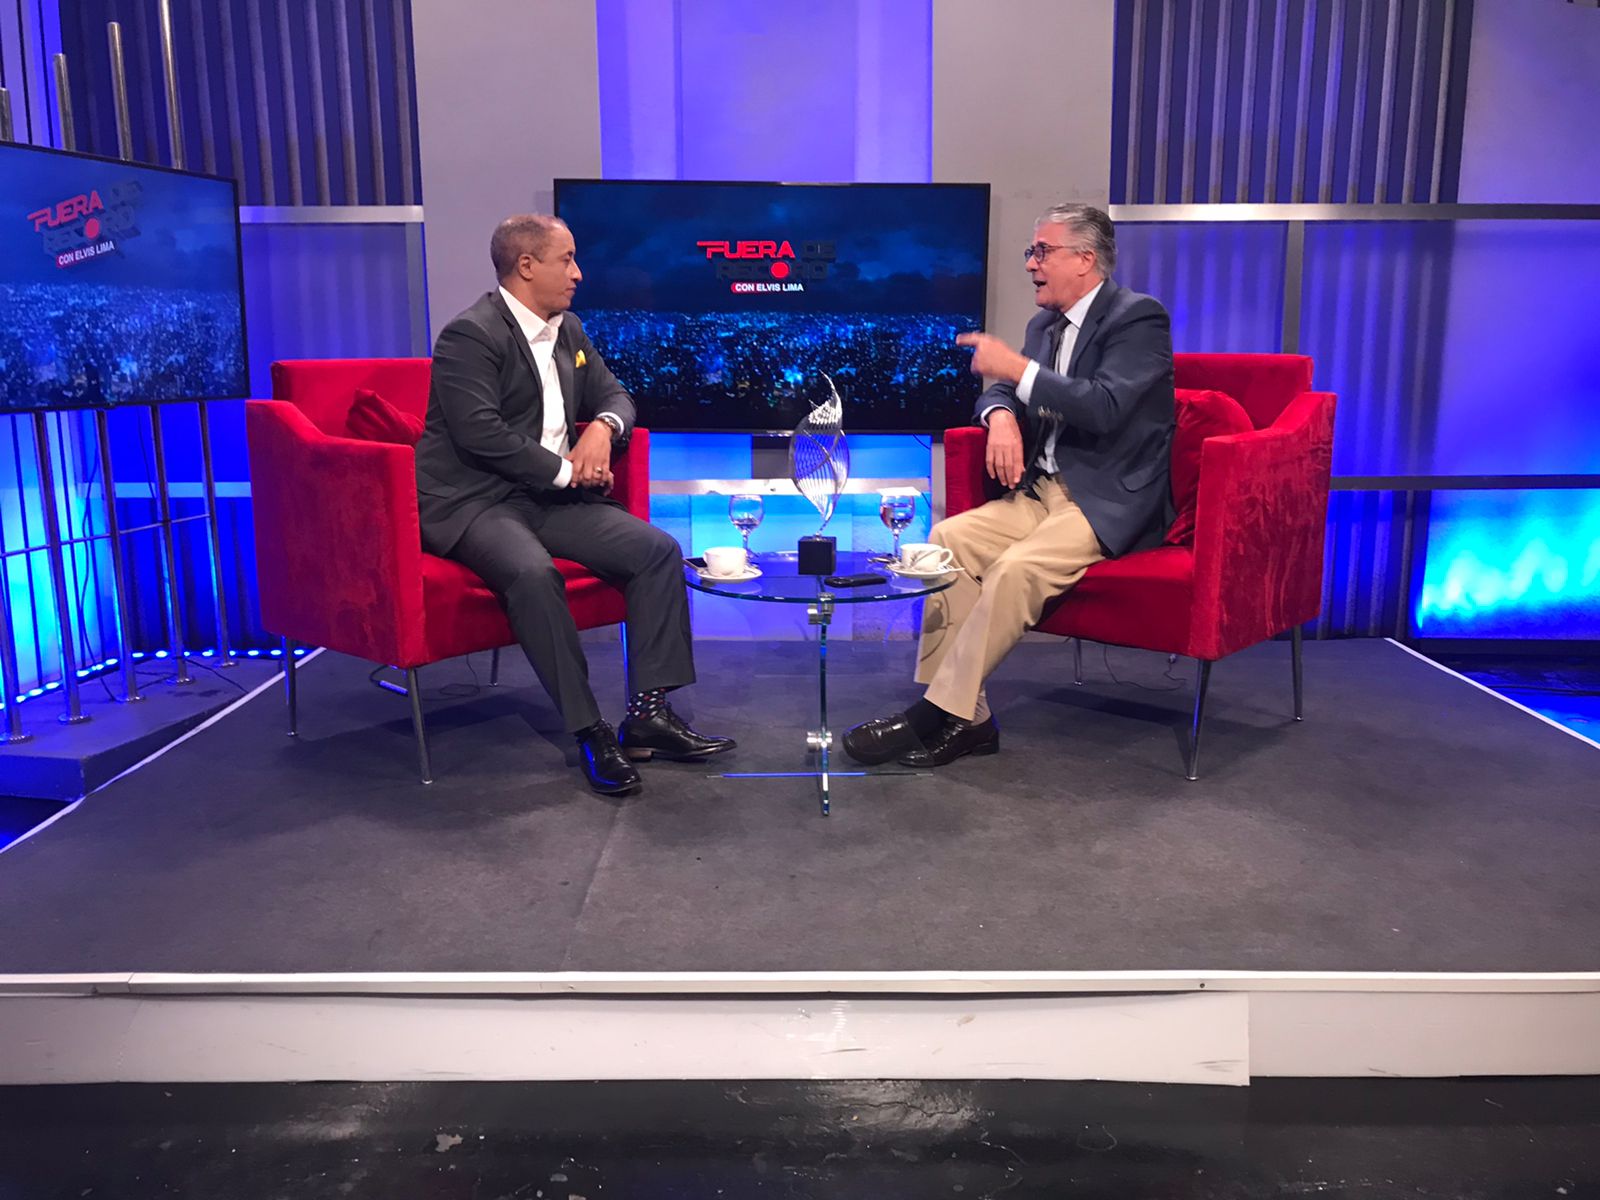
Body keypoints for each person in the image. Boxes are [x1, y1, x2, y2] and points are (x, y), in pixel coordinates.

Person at [843, 203, 1175, 768]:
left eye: (1043, 251)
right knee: (945, 542)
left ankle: (932, 714)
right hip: (1039, 493)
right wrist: (999, 414)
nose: (1030, 264)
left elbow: (1104, 407)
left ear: (1085, 259)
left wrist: (1015, 371)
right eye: (1031, 251)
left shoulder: (1138, 318)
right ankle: (970, 719)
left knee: (1015, 569)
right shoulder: (1044, 326)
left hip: (1102, 501)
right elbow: (1004, 390)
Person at [415, 214, 733, 795]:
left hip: (547, 497)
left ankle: (649, 716)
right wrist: (569, 470)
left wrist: (602, 428)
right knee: (533, 574)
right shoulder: (470, 335)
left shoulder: (569, 329)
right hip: (476, 500)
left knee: (656, 550)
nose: (578, 273)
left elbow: (617, 395)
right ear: (526, 265)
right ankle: (590, 730)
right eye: (566, 259)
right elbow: (479, 433)